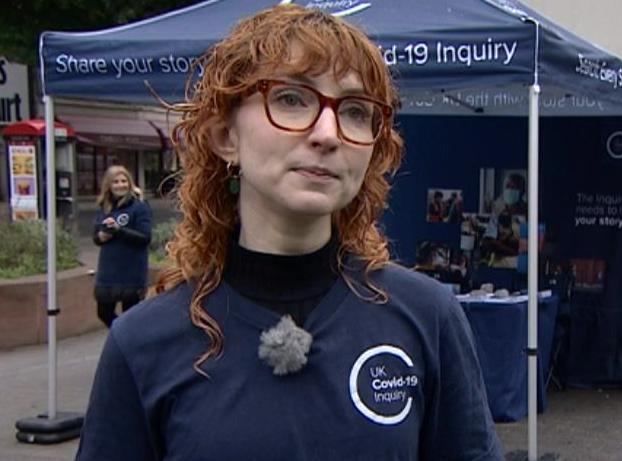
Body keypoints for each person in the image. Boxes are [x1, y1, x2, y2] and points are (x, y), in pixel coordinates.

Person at [76, 5, 502, 461]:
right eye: (292, 99)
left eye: (355, 111)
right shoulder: (142, 342)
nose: (328, 132)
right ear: (225, 136)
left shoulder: (427, 317)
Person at [91, 165, 152, 328]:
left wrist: (119, 231)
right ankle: (122, 338)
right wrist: (101, 236)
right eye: (116, 182)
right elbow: (96, 236)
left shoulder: (139, 206)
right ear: (109, 185)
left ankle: (127, 345)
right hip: (108, 271)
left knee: (131, 318)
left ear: (130, 183)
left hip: (131, 271)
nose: (120, 185)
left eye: (124, 181)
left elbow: (145, 237)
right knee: (103, 313)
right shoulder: (105, 207)